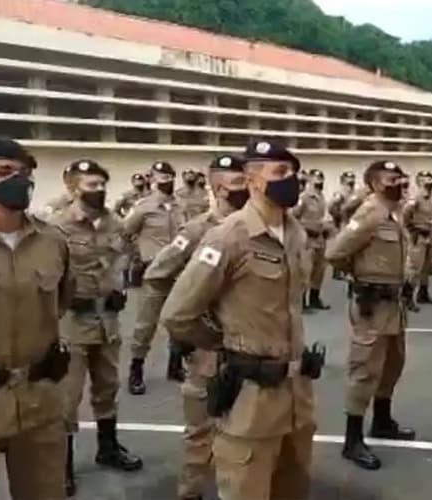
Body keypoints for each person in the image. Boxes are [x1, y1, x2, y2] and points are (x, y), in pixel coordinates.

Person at [161, 139, 319, 500]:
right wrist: (224, 344)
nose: (291, 178)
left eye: (294, 171)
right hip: (251, 401)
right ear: (252, 181)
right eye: (280, 172)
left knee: (293, 489)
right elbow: (178, 313)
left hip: (297, 398)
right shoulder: (229, 236)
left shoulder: (295, 233)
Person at [0, 136, 72, 500]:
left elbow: (60, 303)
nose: (18, 180)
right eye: (4, 172)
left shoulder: (53, 241)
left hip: (39, 404)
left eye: (23, 172)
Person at [138, 154, 248, 500]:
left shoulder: (257, 229)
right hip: (209, 353)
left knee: (247, 435)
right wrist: (190, 327)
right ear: (218, 188)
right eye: (238, 185)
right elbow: (157, 274)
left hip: (251, 349)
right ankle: (190, 493)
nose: (247, 190)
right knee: (201, 433)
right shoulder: (198, 230)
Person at [50, 160, 143, 496]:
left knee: (107, 388)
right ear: (73, 188)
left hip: (108, 321)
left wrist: (118, 287)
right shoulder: (56, 226)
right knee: (67, 397)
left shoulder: (114, 223)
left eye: (102, 184)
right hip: (71, 323)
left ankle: (108, 448)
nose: (100, 190)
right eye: (91, 185)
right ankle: (61, 466)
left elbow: (122, 258)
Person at [326, 160, 415, 471]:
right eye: (393, 178)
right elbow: (335, 253)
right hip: (372, 305)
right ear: (376, 184)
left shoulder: (394, 212)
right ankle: (352, 441)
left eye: (401, 177)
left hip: (394, 305)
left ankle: (382, 420)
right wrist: (361, 279)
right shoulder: (369, 213)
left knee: (393, 364)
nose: (401, 182)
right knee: (365, 369)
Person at [124, 161, 184, 393]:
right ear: (151, 179)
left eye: (168, 176)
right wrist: (138, 257)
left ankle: (175, 364)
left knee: (180, 320)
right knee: (145, 324)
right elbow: (126, 233)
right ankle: (136, 369)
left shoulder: (180, 205)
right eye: (160, 176)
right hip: (154, 273)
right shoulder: (143, 207)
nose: (165, 180)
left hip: (179, 272)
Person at [402, 171, 432, 312]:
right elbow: (405, 214)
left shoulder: (431, 197)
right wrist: (412, 229)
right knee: (414, 268)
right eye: (425, 179)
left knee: (426, 267)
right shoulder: (416, 197)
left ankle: (423, 293)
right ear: (419, 182)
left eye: (431, 178)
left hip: (429, 235)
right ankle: (407, 296)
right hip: (419, 236)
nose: (429, 181)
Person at [293, 169, 332, 310]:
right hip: (307, 240)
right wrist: (304, 229)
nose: (319, 182)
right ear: (310, 180)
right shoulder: (303, 198)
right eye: (316, 180)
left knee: (319, 271)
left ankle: (315, 299)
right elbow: (293, 217)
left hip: (320, 239)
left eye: (321, 180)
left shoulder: (321, 197)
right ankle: (302, 302)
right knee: (306, 271)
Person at [328, 171, 357, 280]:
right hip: (343, 223)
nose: (350, 185)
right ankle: (339, 270)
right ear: (343, 183)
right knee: (342, 246)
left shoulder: (356, 194)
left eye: (352, 183)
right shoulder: (339, 194)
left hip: (354, 223)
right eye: (348, 183)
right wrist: (338, 216)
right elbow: (331, 207)